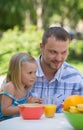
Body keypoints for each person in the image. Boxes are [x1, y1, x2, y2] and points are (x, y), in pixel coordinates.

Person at [29, 26, 83, 113]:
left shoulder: (75, 78)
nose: (59, 58)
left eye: (64, 52)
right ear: (42, 47)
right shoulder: (21, 72)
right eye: (53, 52)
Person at [0, 52, 42, 120]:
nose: (34, 76)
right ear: (17, 72)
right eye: (30, 73)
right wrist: (26, 105)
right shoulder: (10, 87)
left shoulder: (26, 87)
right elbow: (5, 111)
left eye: (35, 72)